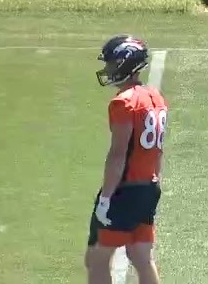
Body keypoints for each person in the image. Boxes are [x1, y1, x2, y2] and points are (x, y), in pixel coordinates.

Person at [85, 35, 167, 284]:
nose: (108, 68)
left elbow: (118, 154)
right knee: (142, 256)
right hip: (148, 186)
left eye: (111, 63)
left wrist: (106, 198)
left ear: (125, 63)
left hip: (125, 189)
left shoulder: (124, 102)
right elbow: (158, 152)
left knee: (97, 259)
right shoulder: (155, 97)